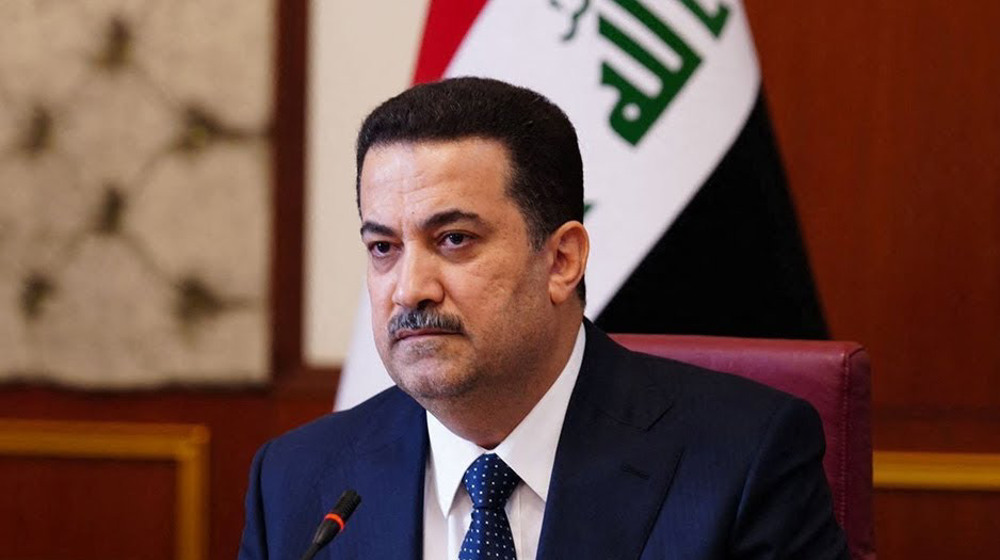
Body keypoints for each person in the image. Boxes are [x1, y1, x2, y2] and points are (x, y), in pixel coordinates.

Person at [238, 77, 849, 560]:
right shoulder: (297, 482)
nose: (409, 290)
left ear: (562, 260)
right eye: (383, 248)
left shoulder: (741, 463)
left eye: (453, 239)